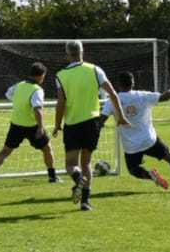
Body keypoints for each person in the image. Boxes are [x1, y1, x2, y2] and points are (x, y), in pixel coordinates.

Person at [53, 40, 130, 211]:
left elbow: (61, 103)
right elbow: (113, 94)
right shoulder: (95, 69)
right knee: (86, 163)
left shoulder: (61, 75)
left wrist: (57, 124)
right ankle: (85, 202)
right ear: (82, 52)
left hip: (73, 124)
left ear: (67, 55)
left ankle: (78, 178)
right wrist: (121, 116)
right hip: (92, 122)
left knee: (71, 164)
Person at [100, 72, 170, 192]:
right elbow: (166, 96)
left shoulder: (112, 100)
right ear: (133, 83)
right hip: (149, 140)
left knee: (133, 170)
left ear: (118, 84)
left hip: (131, 146)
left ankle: (151, 176)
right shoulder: (142, 95)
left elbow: (101, 119)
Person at [0, 62, 60, 184]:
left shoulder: (19, 85)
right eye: (44, 76)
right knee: (47, 148)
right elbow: (38, 109)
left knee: (5, 151)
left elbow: (8, 94)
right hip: (32, 127)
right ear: (40, 76)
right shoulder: (37, 90)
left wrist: (19, 102)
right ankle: (52, 176)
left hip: (16, 125)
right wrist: (40, 127)